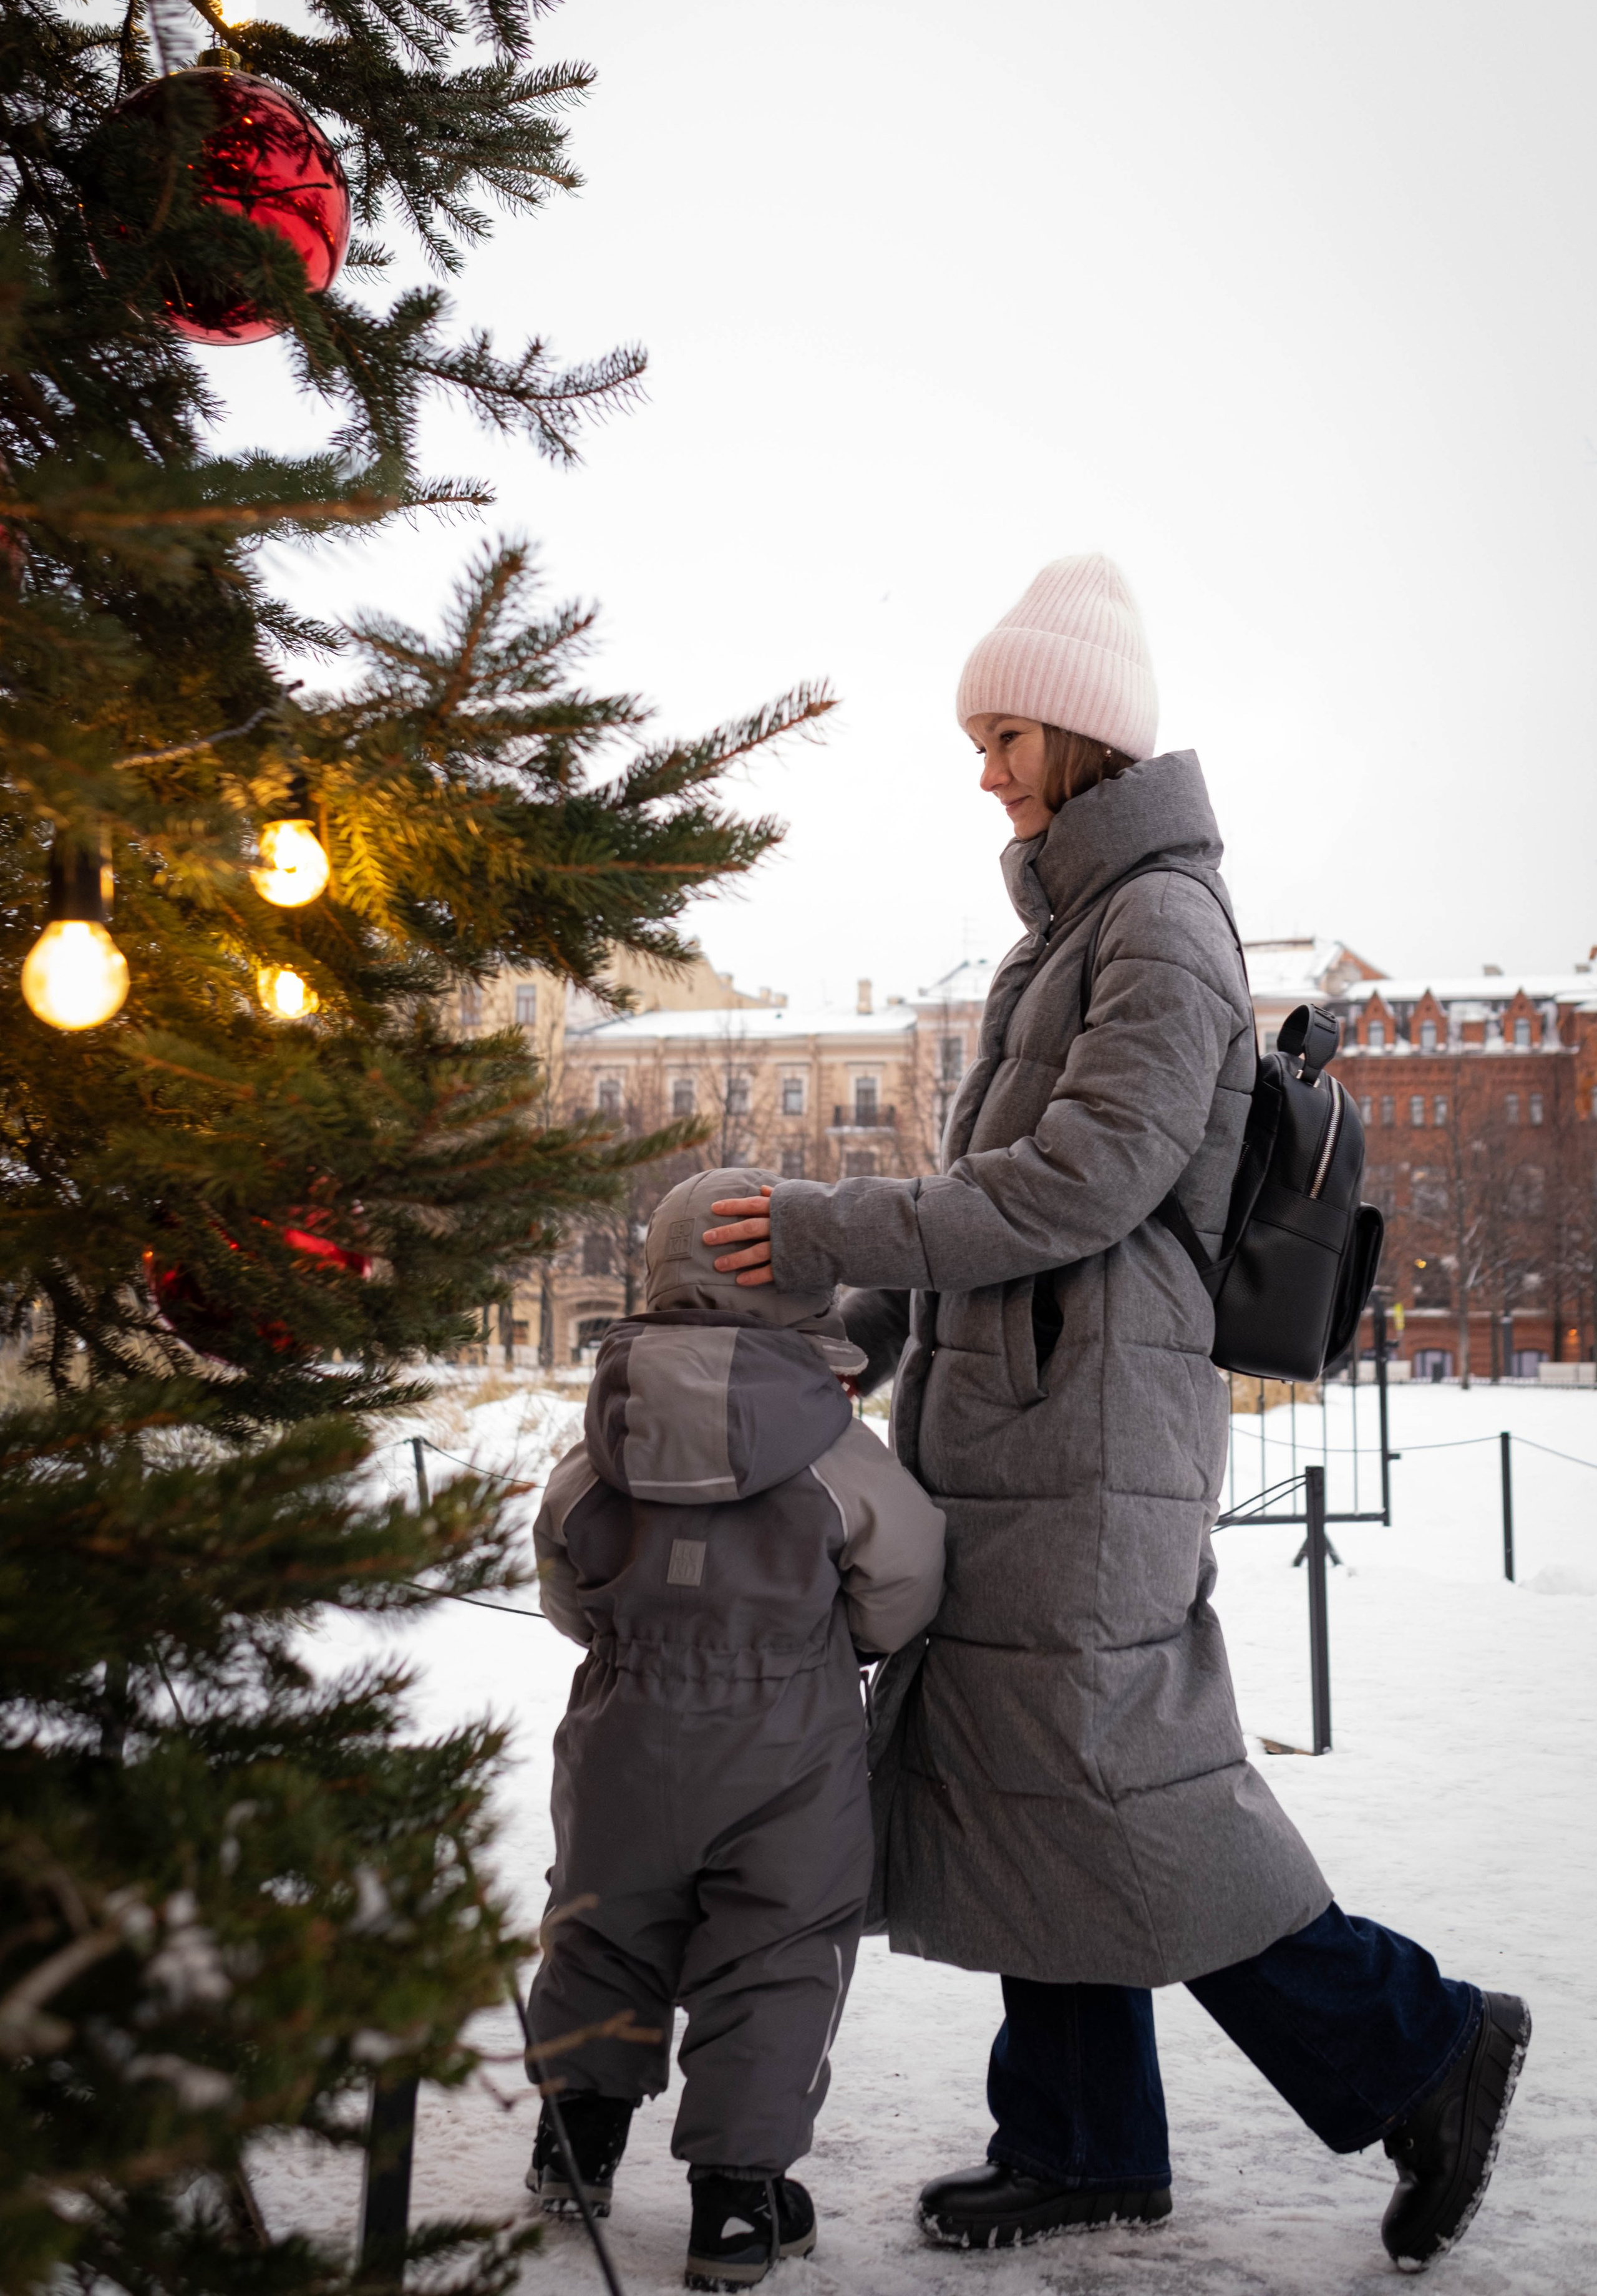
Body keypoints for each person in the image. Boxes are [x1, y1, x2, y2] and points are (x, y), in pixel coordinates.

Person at [701, 556, 1530, 2272]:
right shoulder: (1076, 927)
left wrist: (822, 1224)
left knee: (1119, 1783)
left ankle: (1423, 2044)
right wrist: (859, 1324)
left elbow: (1078, 1185)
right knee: (1028, 1783)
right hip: (1024, 1431)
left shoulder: (1160, 923)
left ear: (1079, 732)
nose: (982, 767)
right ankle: (1081, 2139)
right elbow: (990, 1198)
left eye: (999, 732)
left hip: (1092, 1446)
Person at [526, 1165, 946, 2290]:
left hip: (622, 1729)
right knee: (775, 1954)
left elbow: (561, 1564)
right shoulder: (829, 1449)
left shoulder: (608, 1432)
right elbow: (903, 1581)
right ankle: (736, 2205)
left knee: (601, 1925)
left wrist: (630, 1639)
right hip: (786, 1750)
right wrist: (831, 1642)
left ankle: (576, 2144)